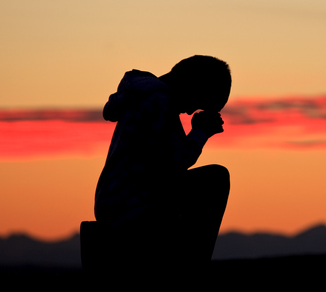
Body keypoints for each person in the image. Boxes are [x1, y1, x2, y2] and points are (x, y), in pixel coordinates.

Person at [94, 55, 231, 270]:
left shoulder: (150, 98)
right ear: (192, 84)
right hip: (130, 207)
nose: (189, 111)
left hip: (120, 202)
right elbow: (173, 165)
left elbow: (161, 162)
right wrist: (201, 132)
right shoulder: (158, 101)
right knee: (216, 179)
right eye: (198, 102)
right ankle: (194, 264)